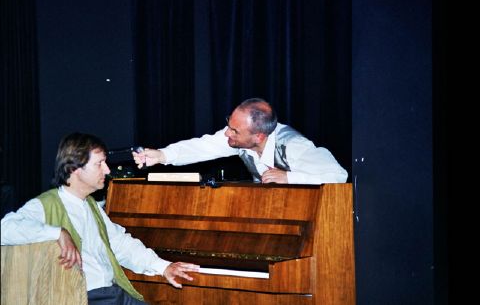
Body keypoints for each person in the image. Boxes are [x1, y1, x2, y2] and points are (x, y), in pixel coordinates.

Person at [1, 133, 199, 305]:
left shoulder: (91, 206)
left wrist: (163, 267)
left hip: (110, 293)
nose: (107, 170)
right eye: (99, 164)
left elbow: (120, 244)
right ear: (73, 169)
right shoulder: (45, 204)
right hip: (83, 297)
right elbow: (5, 229)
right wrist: (58, 233)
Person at [133, 98, 348, 184]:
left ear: (259, 136)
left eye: (234, 131)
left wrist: (289, 177)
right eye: (229, 124)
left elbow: (338, 176)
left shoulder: (294, 146)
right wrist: (162, 155)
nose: (227, 134)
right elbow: (201, 147)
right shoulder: (237, 138)